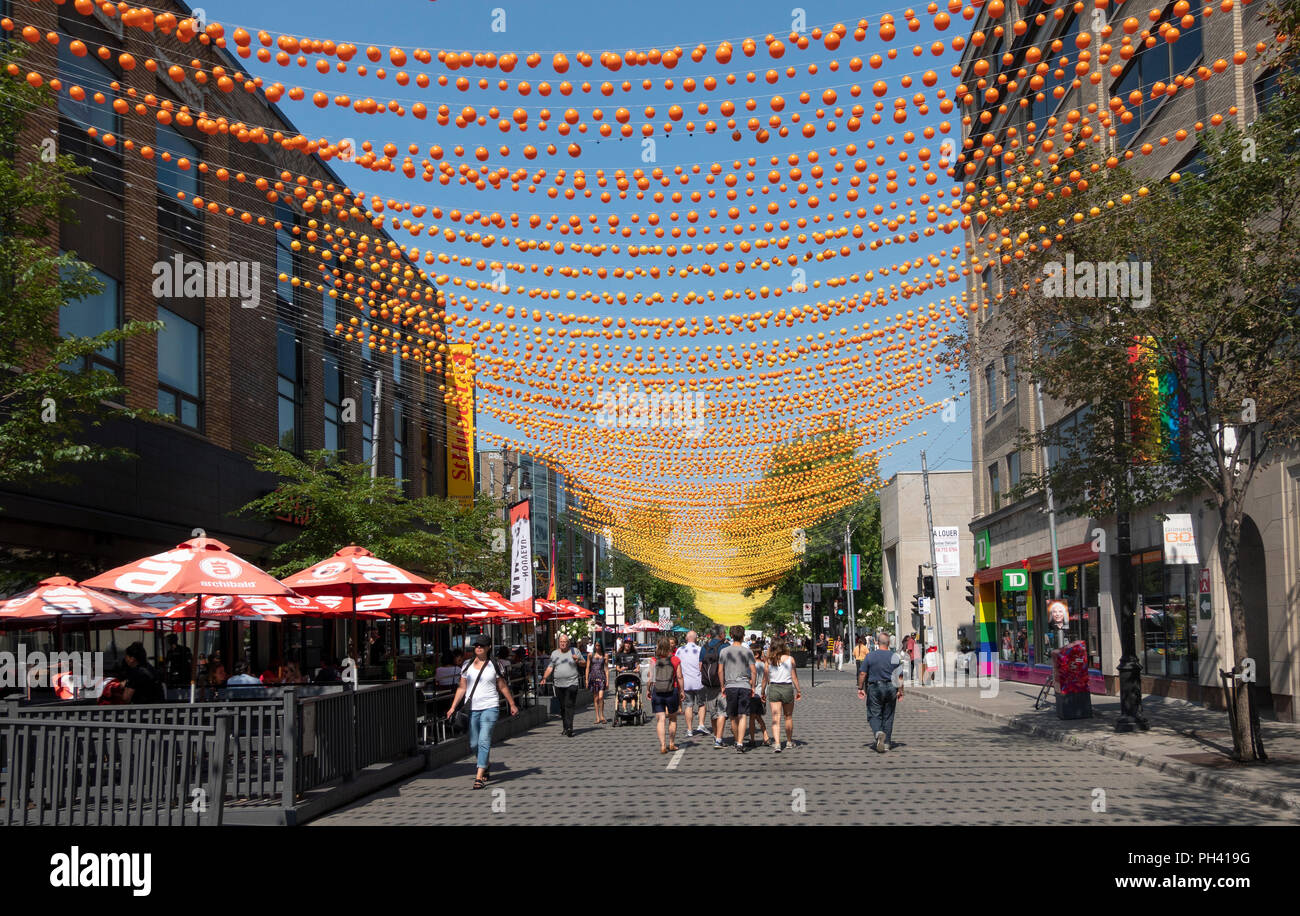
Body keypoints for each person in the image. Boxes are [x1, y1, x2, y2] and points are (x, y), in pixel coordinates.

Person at [447, 634, 518, 789]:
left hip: (490, 706)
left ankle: (479, 777)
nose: (478, 648)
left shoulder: (494, 664)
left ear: (488, 648)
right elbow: (462, 687)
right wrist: (453, 707)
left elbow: (502, 686)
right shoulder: (467, 664)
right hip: (472, 708)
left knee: (484, 740)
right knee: (473, 743)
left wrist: (512, 703)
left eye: (482, 646)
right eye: (476, 645)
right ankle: (485, 763)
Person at [857, 632, 904, 753]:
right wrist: (900, 691)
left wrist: (860, 687)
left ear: (877, 642)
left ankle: (878, 732)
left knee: (874, 713)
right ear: (889, 643)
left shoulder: (870, 656)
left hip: (875, 687)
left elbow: (862, 673)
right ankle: (887, 743)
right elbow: (899, 676)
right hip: (891, 687)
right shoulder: (894, 657)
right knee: (888, 715)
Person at [719, 625, 757, 753]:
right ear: (743, 636)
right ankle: (740, 742)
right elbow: (753, 671)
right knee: (743, 715)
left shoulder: (724, 651)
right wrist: (753, 686)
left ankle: (737, 740)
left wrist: (722, 686)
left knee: (732, 716)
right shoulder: (748, 652)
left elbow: (720, 671)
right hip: (745, 685)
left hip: (730, 686)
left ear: (731, 635)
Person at [540, 632, 584, 737]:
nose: (562, 644)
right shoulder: (554, 653)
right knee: (563, 706)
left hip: (572, 682)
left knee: (569, 704)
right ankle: (565, 727)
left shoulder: (575, 651)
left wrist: (577, 660)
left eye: (564, 642)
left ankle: (569, 727)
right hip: (559, 684)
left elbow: (584, 663)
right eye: (561, 642)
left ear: (568, 643)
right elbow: (550, 667)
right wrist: (544, 678)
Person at [647, 635, 683, 754]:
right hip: (672, 691)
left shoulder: (653, 660)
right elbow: (679, 677)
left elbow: (650, 678)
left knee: (660, 719)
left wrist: (648, 690)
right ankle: (671, 744)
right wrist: (682, 691)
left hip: (657, 691)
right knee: (672, 718)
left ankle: (663, 745)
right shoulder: (675, 659)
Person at [764, 637, 801, 752]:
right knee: (788, 717)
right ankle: (789, 742)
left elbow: (765, 678)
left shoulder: (768, 660)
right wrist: (798, 690)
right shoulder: (791, 659)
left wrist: (762, 692)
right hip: (787, 688)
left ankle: (777, 743)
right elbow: (794, 677)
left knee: (775, 717)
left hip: (774, 688)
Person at [700, 625, 729, 747]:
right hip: (723, 684)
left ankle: (716, 735)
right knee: (722, 711)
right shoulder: (725, 647)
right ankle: (718, 739)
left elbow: (700, 666)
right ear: (721, 634)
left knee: (713, 712)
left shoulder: (704, 647)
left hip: (709, 684)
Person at [674, 630, 706, 736]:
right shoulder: (700, 649)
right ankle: (701, 724)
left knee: (689, 705)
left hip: (685, 682)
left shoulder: (680, 650)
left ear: (687, 638)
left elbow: (676, 664)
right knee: (701, 704)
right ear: (696, 639)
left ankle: (689, 729)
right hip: (699, 681)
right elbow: (703, 665)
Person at [747, 647, 772, 748]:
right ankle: (764, 737)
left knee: (753, 717)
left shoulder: (753, 666)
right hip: (762, 693)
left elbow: (753, 681)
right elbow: (768, 680)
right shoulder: (764, 665)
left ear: (756, 655)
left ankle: (755, 739)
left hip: (754, 693)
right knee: (757, 716)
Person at [587, 640, 608, 724]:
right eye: (596, 645)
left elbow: (606, 669)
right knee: (595, 698)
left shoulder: (605, 655)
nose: (597, 647)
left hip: (602, 677)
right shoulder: (590, 655)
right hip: (593, 677)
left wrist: (607, 681)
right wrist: (586, 680)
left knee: (601, 697)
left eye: (599, 645)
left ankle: (602, 715)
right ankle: (597, 717)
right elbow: (587, 667)